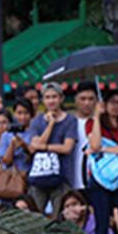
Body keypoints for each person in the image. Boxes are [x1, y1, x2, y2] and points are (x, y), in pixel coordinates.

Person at [84, 89, 118, 234]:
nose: (115, 106)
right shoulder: (92, 123)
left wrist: (105, 149)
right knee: (101, 224)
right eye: (112, 102)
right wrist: (97, 117)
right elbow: (94, 145)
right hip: (99, 180)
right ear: (104, 104)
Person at [28, 82, 78, 213]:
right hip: (39, 176)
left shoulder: (70, 120)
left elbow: (67, 148)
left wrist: (44, 147)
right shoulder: (36, 121)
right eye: (48, 97)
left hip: (62, 176)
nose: (51, 101)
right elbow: (33, 147)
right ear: (43, 100)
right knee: (36, 214)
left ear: (61, 98)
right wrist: (50, 125)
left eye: (54, 97)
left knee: (60, 215)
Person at [72, 81, 97, 190]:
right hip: (73, 182)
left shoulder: (103, 123)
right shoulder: (69, 123)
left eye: (91, 99)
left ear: (96, 100)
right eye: (83, 99)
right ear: (76, 99)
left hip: (99, 181)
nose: (87, 103)